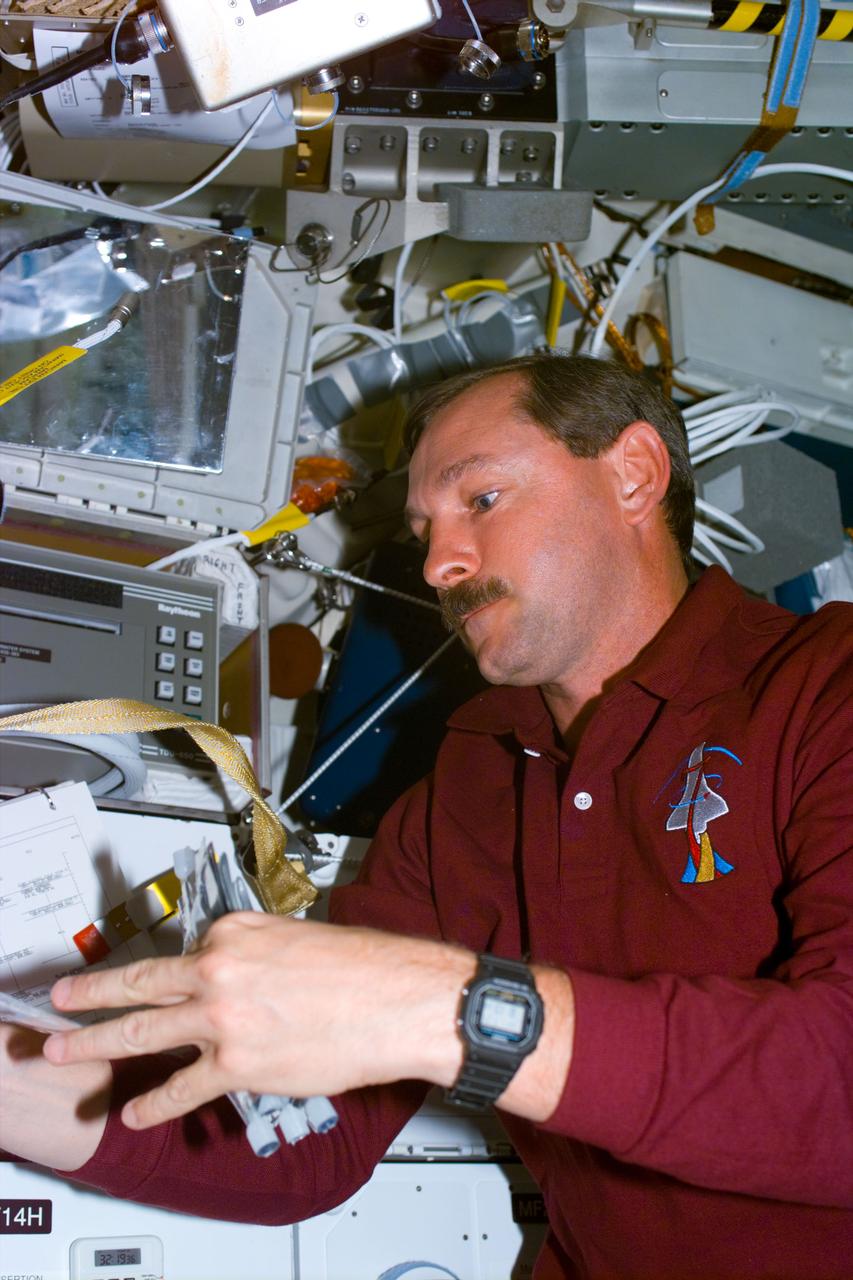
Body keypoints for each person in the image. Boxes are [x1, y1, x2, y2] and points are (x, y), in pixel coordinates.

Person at [2, 353, 852, 1279]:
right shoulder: (464, 792)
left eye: (479, 500)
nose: (441, 564)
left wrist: (438, 1007)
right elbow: (312, 1139)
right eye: (425, 532)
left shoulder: (823, 688)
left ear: (634, 474)